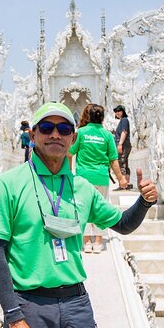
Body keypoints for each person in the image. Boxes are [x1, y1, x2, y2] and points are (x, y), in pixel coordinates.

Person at [0, 101, 158, 328]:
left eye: (63, 128)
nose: (55, 135)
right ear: (34, 134)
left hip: (77, 305)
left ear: (72, 138)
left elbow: (123, 224)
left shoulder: (81, 187)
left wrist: (144, 202)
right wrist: (14, 319)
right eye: (47, 128)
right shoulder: (8, 184)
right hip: (30, 305)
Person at [69, 103, 127, 253]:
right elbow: (113, 160)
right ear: (102, 117)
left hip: (83, 178)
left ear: (87, 116)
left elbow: (70, 152)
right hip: (101, 177)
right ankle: (99, 242)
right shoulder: (107, 135)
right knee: (100, 208)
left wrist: (68, 171)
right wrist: (121, 179)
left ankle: (87, 242)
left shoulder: (81, 132)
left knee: (83, 207)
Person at [113, 104, 133, 190]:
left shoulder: (124, 120)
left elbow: (124, 132)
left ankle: (123, 184)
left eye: (119, 111)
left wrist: (120, 144)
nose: (117, 113)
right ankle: (126, 184)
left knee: (121, 162)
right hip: (125, 145)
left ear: (123, 112)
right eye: (116, 111)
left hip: (123, 145)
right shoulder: (123, 121)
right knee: (125, 163)